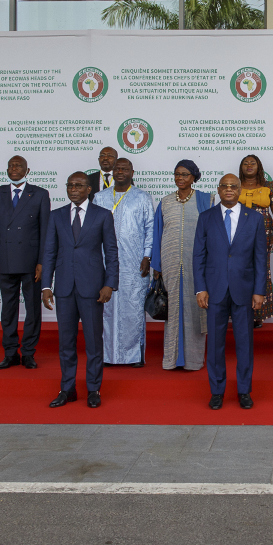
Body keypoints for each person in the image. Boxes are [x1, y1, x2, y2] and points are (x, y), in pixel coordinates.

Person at [41, 172, 119, 409]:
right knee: (66, 342)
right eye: (70, 185)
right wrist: (46, 285)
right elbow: (49, 253)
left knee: (94, 342)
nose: (73, 189)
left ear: (88, 190)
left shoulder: (103, 215)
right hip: (64, 288)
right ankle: (68, 389)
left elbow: (112, 253)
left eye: (78, 186)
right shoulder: (56, 216)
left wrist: (109, 284)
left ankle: (94, 389)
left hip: (93, 288)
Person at [193, 173, 267, 410]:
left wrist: (259, 290)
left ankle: (244, 390)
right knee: (215, 344)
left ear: (239, 191)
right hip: (214, 289)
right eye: (224, 186)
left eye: (233, 186)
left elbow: (260, 258)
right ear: (219, 189)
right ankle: (217, 391)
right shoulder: (206, 218)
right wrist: (200, 288)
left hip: (244, 289)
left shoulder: (254, 218)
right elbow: (198, 256)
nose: (228, 190)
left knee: (244, 343)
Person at [0, 154, 50, 370]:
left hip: (31, 262)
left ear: (27, 170)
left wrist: (42, 262)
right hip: (4, 260)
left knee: (33, 309)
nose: (14, 168)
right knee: (8, 309)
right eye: (11, 165)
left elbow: (45, 232)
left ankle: (29, 353)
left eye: (19, 166)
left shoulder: (40, 194)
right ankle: (10, 352)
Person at [151, 159, 215, 370]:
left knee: (197, 310)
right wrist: (157, 264)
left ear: (194, 177)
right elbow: (158, 233)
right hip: (169, 262)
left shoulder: (207, 200)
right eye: (177, 174)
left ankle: (194, 360)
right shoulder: (165, 201)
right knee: (172, 310)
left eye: (185, 174)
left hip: (197, 263)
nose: (180, 178)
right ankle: (171, 359)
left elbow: (213, 234)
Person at [92, 157, 153, 367]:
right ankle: (108, 355)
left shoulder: (143, 198)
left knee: (133, 308)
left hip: (134, 263)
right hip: (104, 261)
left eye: (125, 169)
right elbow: (91, 230)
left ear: (132, 172)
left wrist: (147, 256)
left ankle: (134, 355)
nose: (120, 172)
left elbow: (150, 229)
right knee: (107, 309)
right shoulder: (100, 198)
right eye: (117, 168)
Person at [237, 154, 273, 327]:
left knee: (261, 269)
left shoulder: (268, 185)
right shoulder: (236, 185)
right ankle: (240, 311)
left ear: (259, 166)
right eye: (245, 163)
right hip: (239, 233)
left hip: (264, 233)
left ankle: (258, 314)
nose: (249, 165)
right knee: (239, 269)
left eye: (252, 163)